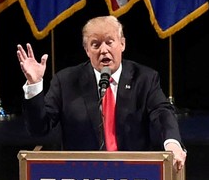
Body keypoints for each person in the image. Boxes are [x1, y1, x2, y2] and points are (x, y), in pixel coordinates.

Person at [15, 15, 186, 169]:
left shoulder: (145, 78)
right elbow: (39, 129)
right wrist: (34, 84)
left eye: (109, 42)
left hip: (134, 175)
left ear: (122, 44)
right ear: (87, 50)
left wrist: (172, 144)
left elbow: (162, 112)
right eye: (95, 44)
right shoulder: (66, 81)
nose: (103, 50)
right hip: (81, 177)